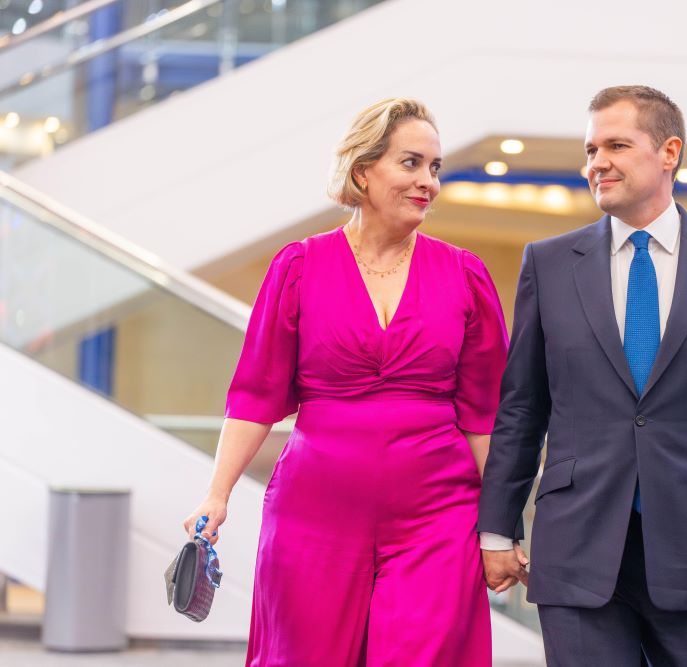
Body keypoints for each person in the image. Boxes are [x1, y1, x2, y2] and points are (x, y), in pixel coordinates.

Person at [477, 85, 687, 666]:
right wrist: (498, 529)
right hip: (577, 549)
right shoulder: (548, 265)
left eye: (616, 145)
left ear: (669, 151)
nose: (596, 162)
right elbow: (523, 406)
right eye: (590, 148)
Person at [182, 98, 509, 666]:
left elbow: (486, 412)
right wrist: (218, 493)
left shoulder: (464, 274)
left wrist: (502, 529)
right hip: (314, 515)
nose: (427, 182)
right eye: (411, 163)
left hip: (438, 516)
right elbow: (256, 395)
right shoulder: (299, 267)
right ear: (363, 170)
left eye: (435, 167)